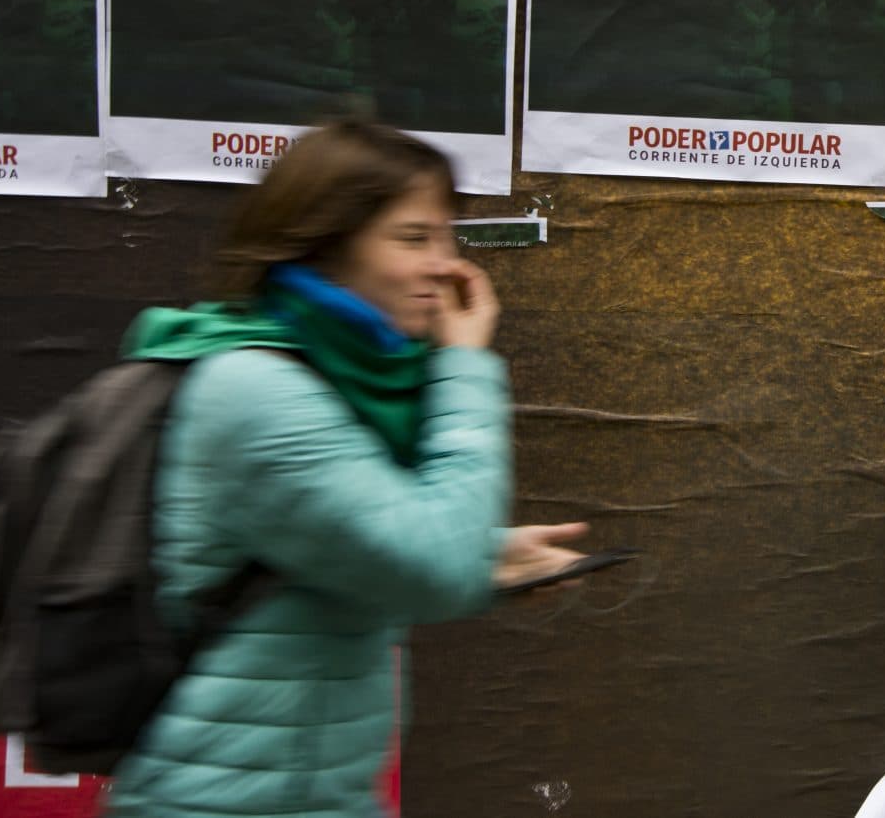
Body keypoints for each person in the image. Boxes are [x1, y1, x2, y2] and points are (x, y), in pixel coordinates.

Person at [102, 119, 589, 817]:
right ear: (328, 245)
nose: (446, 266)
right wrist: (464, 365)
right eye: (413, 239)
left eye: (447, 238)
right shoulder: (255, 389)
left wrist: (484, 557)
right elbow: (430, 568)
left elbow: (344, 546)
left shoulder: (327, 377)